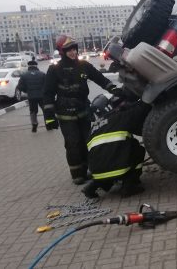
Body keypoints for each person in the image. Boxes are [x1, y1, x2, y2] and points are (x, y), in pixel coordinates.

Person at [43, 35, 123, 185]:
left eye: (74, 49)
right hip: (65, 114)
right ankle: (77, 175)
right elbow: (47, 93)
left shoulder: (84, 66)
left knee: (88, 141)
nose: (73, 52)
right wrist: (49, 117)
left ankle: (89, 169)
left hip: (83, 111)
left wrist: (112, 89)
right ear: (62, 51)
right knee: (73, 144)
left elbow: (99, 78)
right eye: (69, 50)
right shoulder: (55, 69)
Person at [82, 93, 151, 198]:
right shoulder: (119, 117)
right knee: (138, 149)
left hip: (97, 172)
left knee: (105, 164)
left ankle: (92, 186)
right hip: (119, 168)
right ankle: (129, 186)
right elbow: (141, 109)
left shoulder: (93, 127)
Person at [16, 60, 46, 132]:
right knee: (46, 111)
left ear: (28, 66)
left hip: (31, 96)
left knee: (33, 111)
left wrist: (26, 91)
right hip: (42, 96)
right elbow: (47, 85)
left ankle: (34, 123)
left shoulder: (24, 75)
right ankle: (49, 124)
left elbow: (20, 86)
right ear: (36, 66)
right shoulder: (42, 74)